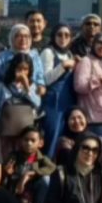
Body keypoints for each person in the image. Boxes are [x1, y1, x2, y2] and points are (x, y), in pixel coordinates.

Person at [0, 24, 45, 132]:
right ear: (12, 38)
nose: (23, 39)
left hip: (28, 106)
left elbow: (40, 80)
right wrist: (11, 84)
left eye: (26, 36)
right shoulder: (1, 57)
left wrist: (33, 87)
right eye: (18, 36)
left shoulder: (35, 57)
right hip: (6, 102)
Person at [39, 24, 78, 160]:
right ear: (53, 36)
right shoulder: (48, 52)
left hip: (67, 100)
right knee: (52, 135)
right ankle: (46, 168)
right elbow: (45, 79)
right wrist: (63, 66)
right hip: (53, 101)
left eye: (67, 35)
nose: (63, 38)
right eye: (59, 34)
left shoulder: (68, 53)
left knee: (64, 137)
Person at [3, 125, 55, 203]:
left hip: (33, 199)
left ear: (40, 143)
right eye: (26, 140)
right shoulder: (13, 157)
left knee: (46, 179)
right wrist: (7, 174)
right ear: (20, 141)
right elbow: (5, 178)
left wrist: (29, 174)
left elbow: (53, 168)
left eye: (33, 140)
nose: (29, 143)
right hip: (18, 200)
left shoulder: (42, 159)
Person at [73, 33, 102, 143]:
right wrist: (100, 80)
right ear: (93, 44)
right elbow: (79, 86)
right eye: (100, 42)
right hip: (93, 118)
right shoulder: (86, 61)